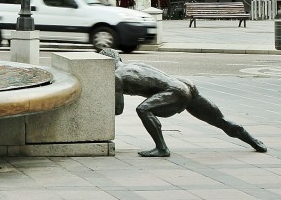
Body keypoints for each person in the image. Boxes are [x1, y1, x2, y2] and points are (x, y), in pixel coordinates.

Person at [99, 49, 267, 157]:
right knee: (218, 119)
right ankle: (253, 141)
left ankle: (162, 148)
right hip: (184, 84)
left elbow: (118, 109)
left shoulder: (116, 76)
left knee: (143, 109)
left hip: (174, 92)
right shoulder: (133, 65)